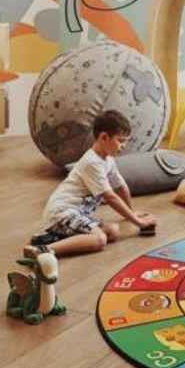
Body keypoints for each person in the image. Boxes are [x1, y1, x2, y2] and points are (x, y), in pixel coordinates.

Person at [25, 110, 157, 258]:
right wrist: (138, 222)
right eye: (121, 141)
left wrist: (131, 213)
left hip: (78, 214)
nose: (124, 146)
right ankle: (43, 250)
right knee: (100, 239)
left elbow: (121, 186)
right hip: (62, 213)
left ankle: (51, 238)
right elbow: (111, 197)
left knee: (113, 230)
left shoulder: (108, 159)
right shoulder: (92, 163)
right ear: (104, 137)